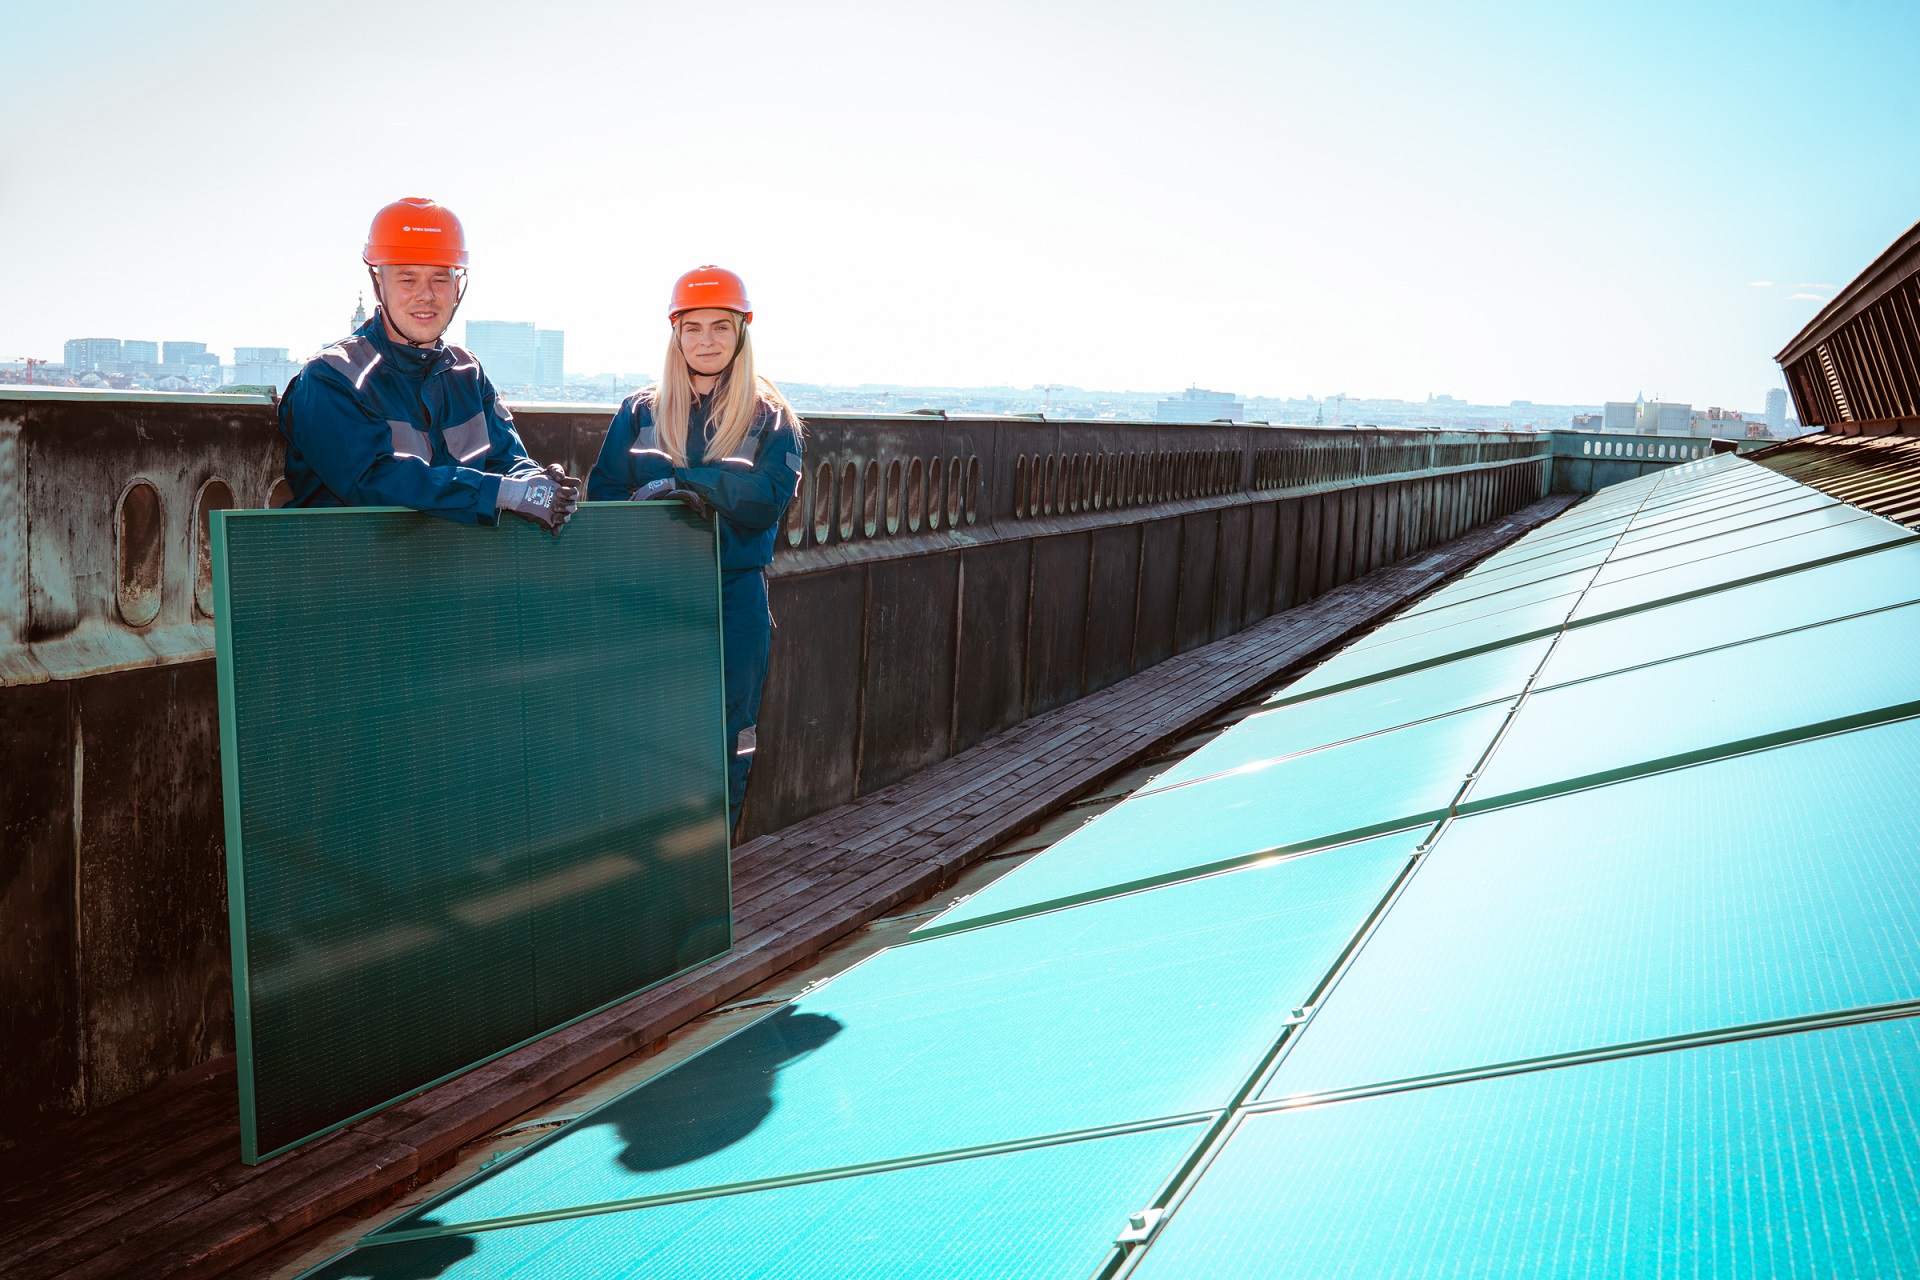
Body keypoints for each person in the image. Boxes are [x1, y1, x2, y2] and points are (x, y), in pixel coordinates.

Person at [588, 266, 805, 836]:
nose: (706, 341)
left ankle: (715, 860)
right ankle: (657, 855)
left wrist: (685, 483)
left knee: (731, 734)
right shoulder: (640, 412)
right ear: (676, 333)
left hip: (732, 596)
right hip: (651, 595)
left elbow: (765, 501)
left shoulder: (771, 418)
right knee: (647, 728)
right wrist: (680, 501)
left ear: (741, 332)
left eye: (720, 327)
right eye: (693, 328)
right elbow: (605, 495)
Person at [280, 196, 580, 531]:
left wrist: (534, 481)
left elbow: (504, 458)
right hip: (343, 560)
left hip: (445, 561)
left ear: (457, 287)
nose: (426, 295)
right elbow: (371, 480)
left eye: (440, 279)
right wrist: (503, 493)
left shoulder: (468, 373)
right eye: (407, 279)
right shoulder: (332, 376)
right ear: (379, 285)